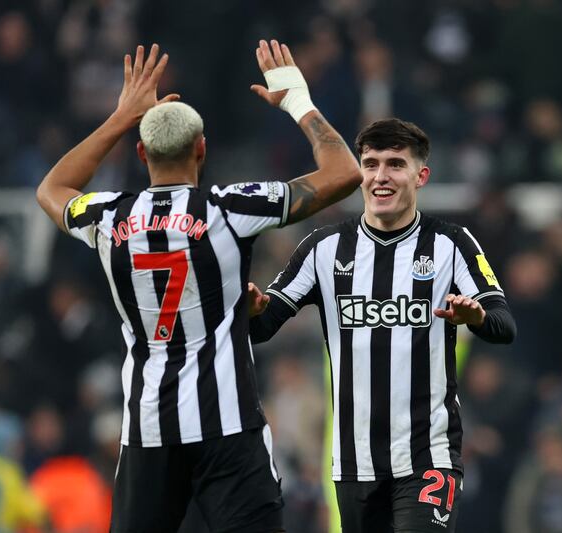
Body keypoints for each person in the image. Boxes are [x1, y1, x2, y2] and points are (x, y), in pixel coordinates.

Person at [35, 40, 362, 533]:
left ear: (142, 152)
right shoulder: (230, 209)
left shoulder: (107, 216)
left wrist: (122, 117)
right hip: (228, 428)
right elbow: (345, 173)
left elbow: (52, 189)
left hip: (148, 433)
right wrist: (298, 100)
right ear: (202, 149)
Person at [248, 118, 517, 532]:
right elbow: (262, 327)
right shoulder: (323, 249)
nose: (380, 176)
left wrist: (476, 317)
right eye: (371, 164)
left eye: (395, 164)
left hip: (429, 456)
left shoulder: (452, 244)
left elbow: (503, 324)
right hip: (354, 464)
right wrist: (249, 310)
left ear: (420, 175)